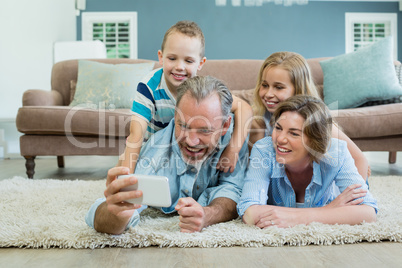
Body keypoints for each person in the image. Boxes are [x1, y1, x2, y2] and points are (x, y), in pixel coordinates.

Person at [86, 76, 248, 235]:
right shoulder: (156, 154)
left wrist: (209, 214)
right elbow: (106, 216)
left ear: (225, 125)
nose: (191, 141)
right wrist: (116, 215)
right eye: (183, 125)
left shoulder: (235, 136)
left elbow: (232, 188)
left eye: (204, 130)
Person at [120, 20, 252, 174]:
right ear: (161, 57)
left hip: (188, 146)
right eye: (172, 58)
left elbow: (245, 108)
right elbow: (136, 135)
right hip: (156, 147)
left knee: (225, 115)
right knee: (123, 164)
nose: (180, 67)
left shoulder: (203, 91)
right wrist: (126, 174)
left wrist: (233, 150)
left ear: (200, 63)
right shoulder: (148, 87)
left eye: (188, 61)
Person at [237, 95, 377, 228]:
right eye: (278, 128)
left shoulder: (336, 152)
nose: (280, 139)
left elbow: (368, 213)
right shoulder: (264, 149)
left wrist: (297, 218)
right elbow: (249, 213)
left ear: (315, 140)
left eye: (294, 133)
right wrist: (329, 209)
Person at [249, 51, 370, 179]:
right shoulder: (260, 118)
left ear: (298, 89)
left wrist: (353, 193)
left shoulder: (316, 120)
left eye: (278, 87)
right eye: (265, 85)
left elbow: (360, 160)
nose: (268, 93)